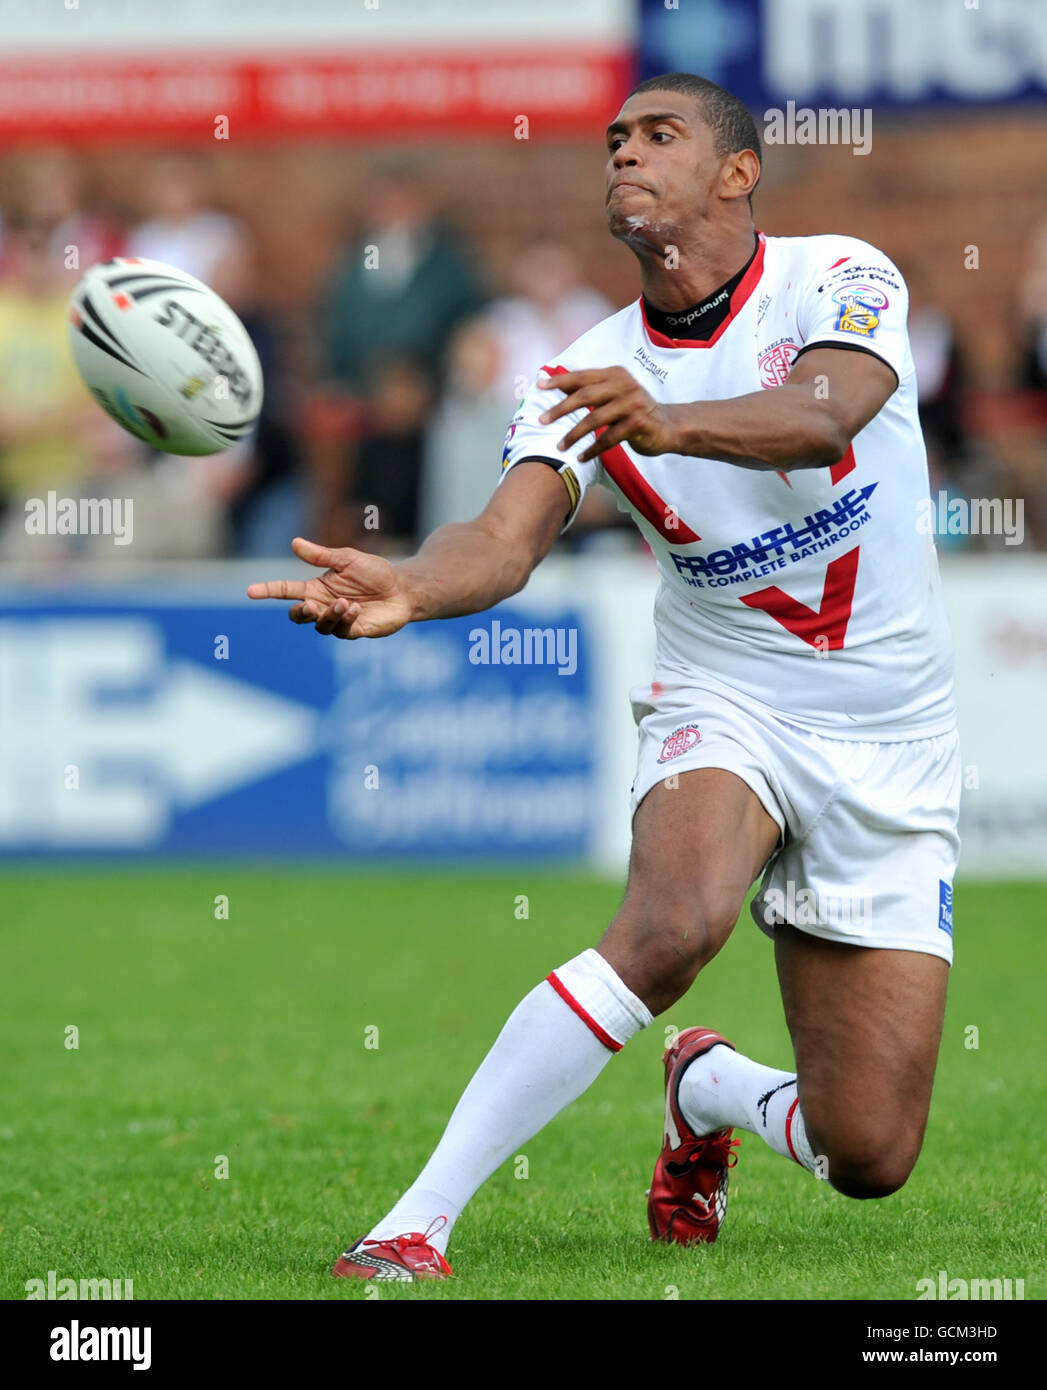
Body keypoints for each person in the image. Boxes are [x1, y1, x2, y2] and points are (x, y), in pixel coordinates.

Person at [248, 72, 960, 1282]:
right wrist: (416, 586)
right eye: (616, 139)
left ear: (737, 173)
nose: (625, 152)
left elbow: (825, 415)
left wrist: (670, 424)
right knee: (674, 922)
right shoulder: (586, 372)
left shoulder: (841, 274)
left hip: (894, 731)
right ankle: (414, 1221)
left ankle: (712, 1085)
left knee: (869, 1152)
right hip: (724, 689)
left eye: (660, 135)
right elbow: (502, 538)